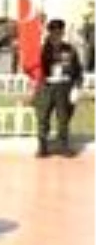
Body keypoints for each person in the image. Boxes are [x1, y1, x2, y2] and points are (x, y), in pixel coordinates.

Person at [35, 19, 83, 157]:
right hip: (46, 87)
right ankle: (42, 146)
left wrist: (76, 87)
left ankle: (63, 146)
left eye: (60, 33)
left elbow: (78, 70)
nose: (57, 35)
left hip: (64, 87)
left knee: (64, 118)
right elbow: (34, 67)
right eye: (54, 33)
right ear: (49, 33)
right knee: (43, 117)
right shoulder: (42, 49)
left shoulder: (69, 49)